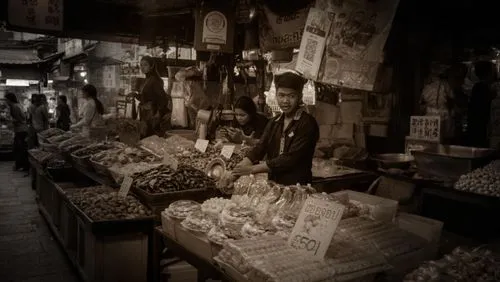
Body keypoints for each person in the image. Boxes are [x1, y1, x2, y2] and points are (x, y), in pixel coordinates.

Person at [233, 71, 320, 185]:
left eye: (291, 96)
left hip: (298, 187)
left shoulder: (307, 123)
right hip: (274, 186)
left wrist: (252, 169)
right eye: (281, 95)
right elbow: (259, 148)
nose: (285, 101)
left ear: (300, 97)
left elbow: (289, 159)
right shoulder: (274, 122)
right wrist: (235, 173)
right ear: (276, 96)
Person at [419, 63, 468, 143]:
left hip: (432, 121)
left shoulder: (431, 87)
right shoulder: (445, 87)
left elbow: (421, 103)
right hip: (441, 122)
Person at [135, 55, 170, 137]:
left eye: (145, 65)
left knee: (151, 136)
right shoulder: (146, 80)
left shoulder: (155, 80)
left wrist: (158, 113)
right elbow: (145, 98)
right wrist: (135, 95)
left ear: (151, 66)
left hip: (152, 113)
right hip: (145, 114)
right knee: (145, 135)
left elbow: (163, 98)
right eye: (141, 65)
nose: (142, 67)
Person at [466, 61, 497, 147]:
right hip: (479, 128)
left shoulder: (479, 87)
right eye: (493, 71)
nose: (495, 73)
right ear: (488, 73)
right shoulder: (481, 88)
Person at [5, 93, 29, 172]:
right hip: (22, 129)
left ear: (9, 99)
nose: (6, 101)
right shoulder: (17, 105)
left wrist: (9, 120)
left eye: (6, 100)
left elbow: (20, 119)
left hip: (20, 130)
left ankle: (22, 166)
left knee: (19, 149)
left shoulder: (14, 107)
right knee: (20, 148)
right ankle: (21, 165)